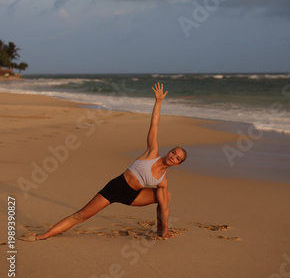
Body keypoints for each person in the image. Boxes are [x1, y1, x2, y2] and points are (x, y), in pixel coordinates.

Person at [34, 82, 187, 240]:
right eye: (173, 152)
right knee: (81, 215)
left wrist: (165, 228)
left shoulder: (163, 181)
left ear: (177, 164)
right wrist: (159, 101)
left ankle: (161, 232)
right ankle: (45, 235)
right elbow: (154, 124)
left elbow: (165, 209)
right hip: (115, 188)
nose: (173, 156)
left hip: (133, 196)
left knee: (165, 198)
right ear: (169, 151)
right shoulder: (152, 151)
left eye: (177, 158)